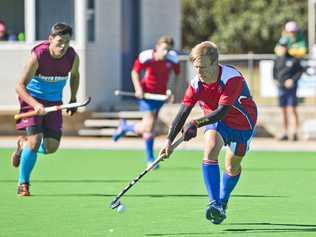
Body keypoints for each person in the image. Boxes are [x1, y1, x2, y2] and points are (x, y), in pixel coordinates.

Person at [158, 41, 257, 224]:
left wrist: (195, 123)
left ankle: (223, 198)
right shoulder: (196, 84)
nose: (199, 72)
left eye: (203, 67)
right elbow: (183, 112)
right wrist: (168, 141)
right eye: (196, 67)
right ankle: (214, 203)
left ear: (215, 63)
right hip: (216, 123)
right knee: (210, 148)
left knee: (231, 166)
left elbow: (222, 111)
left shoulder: (231, 78)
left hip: (242, 124)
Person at [11, 22, 80, 196]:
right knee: (35, 141)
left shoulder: (72, 56)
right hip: (32, 100)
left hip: (54, 102)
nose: (63, 46)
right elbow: (19, 86)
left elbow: (75, 75)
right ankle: (23, 183)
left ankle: (22, 145)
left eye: (67, 42)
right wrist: (35, 104)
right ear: (50, 40)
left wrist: (73, 97)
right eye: (59, 42)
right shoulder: (39, 56)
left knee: (51, 147)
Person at [112, 36, 180, 168]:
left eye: (169, 50)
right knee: (149, 126)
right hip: (146, 95)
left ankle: (126, 127)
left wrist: (172, 90)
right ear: (157, 47)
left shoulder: (172, 59)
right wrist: (138, 89)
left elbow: (176, 75)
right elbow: (135, 72)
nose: (166, 52)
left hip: (160, 96)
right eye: (164, 49)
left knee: (148, 126)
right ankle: (150, 159)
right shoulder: (146, 57)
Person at [273, 37, 305, 141]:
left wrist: (292, 80)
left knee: (292, 109)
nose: (283, 48)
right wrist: (279, 82)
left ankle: (295, 132)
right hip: (281, 88)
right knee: (283, 110)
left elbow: (300, 71)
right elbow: (274, 74)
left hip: (291, 88)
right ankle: (285, 132)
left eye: (285, 46)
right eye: (282, 46)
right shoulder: (277, 59)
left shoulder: (294, 59)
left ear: (288, 47)